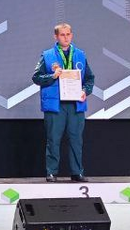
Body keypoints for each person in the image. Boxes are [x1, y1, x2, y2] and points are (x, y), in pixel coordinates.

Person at [32, 22, 95, 181]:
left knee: (76, 140)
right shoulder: (47, 55)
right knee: (53, 139)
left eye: (68, 34)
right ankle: (51, 171)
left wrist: (85, 91)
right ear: (56, 36)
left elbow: (89, 78)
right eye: (62, 35)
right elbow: (36, 78)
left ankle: (77, 172)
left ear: (71, 35)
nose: (66, 38)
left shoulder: (80, 54)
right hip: (55, 105)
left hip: (76, 104)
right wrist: (52, 76)